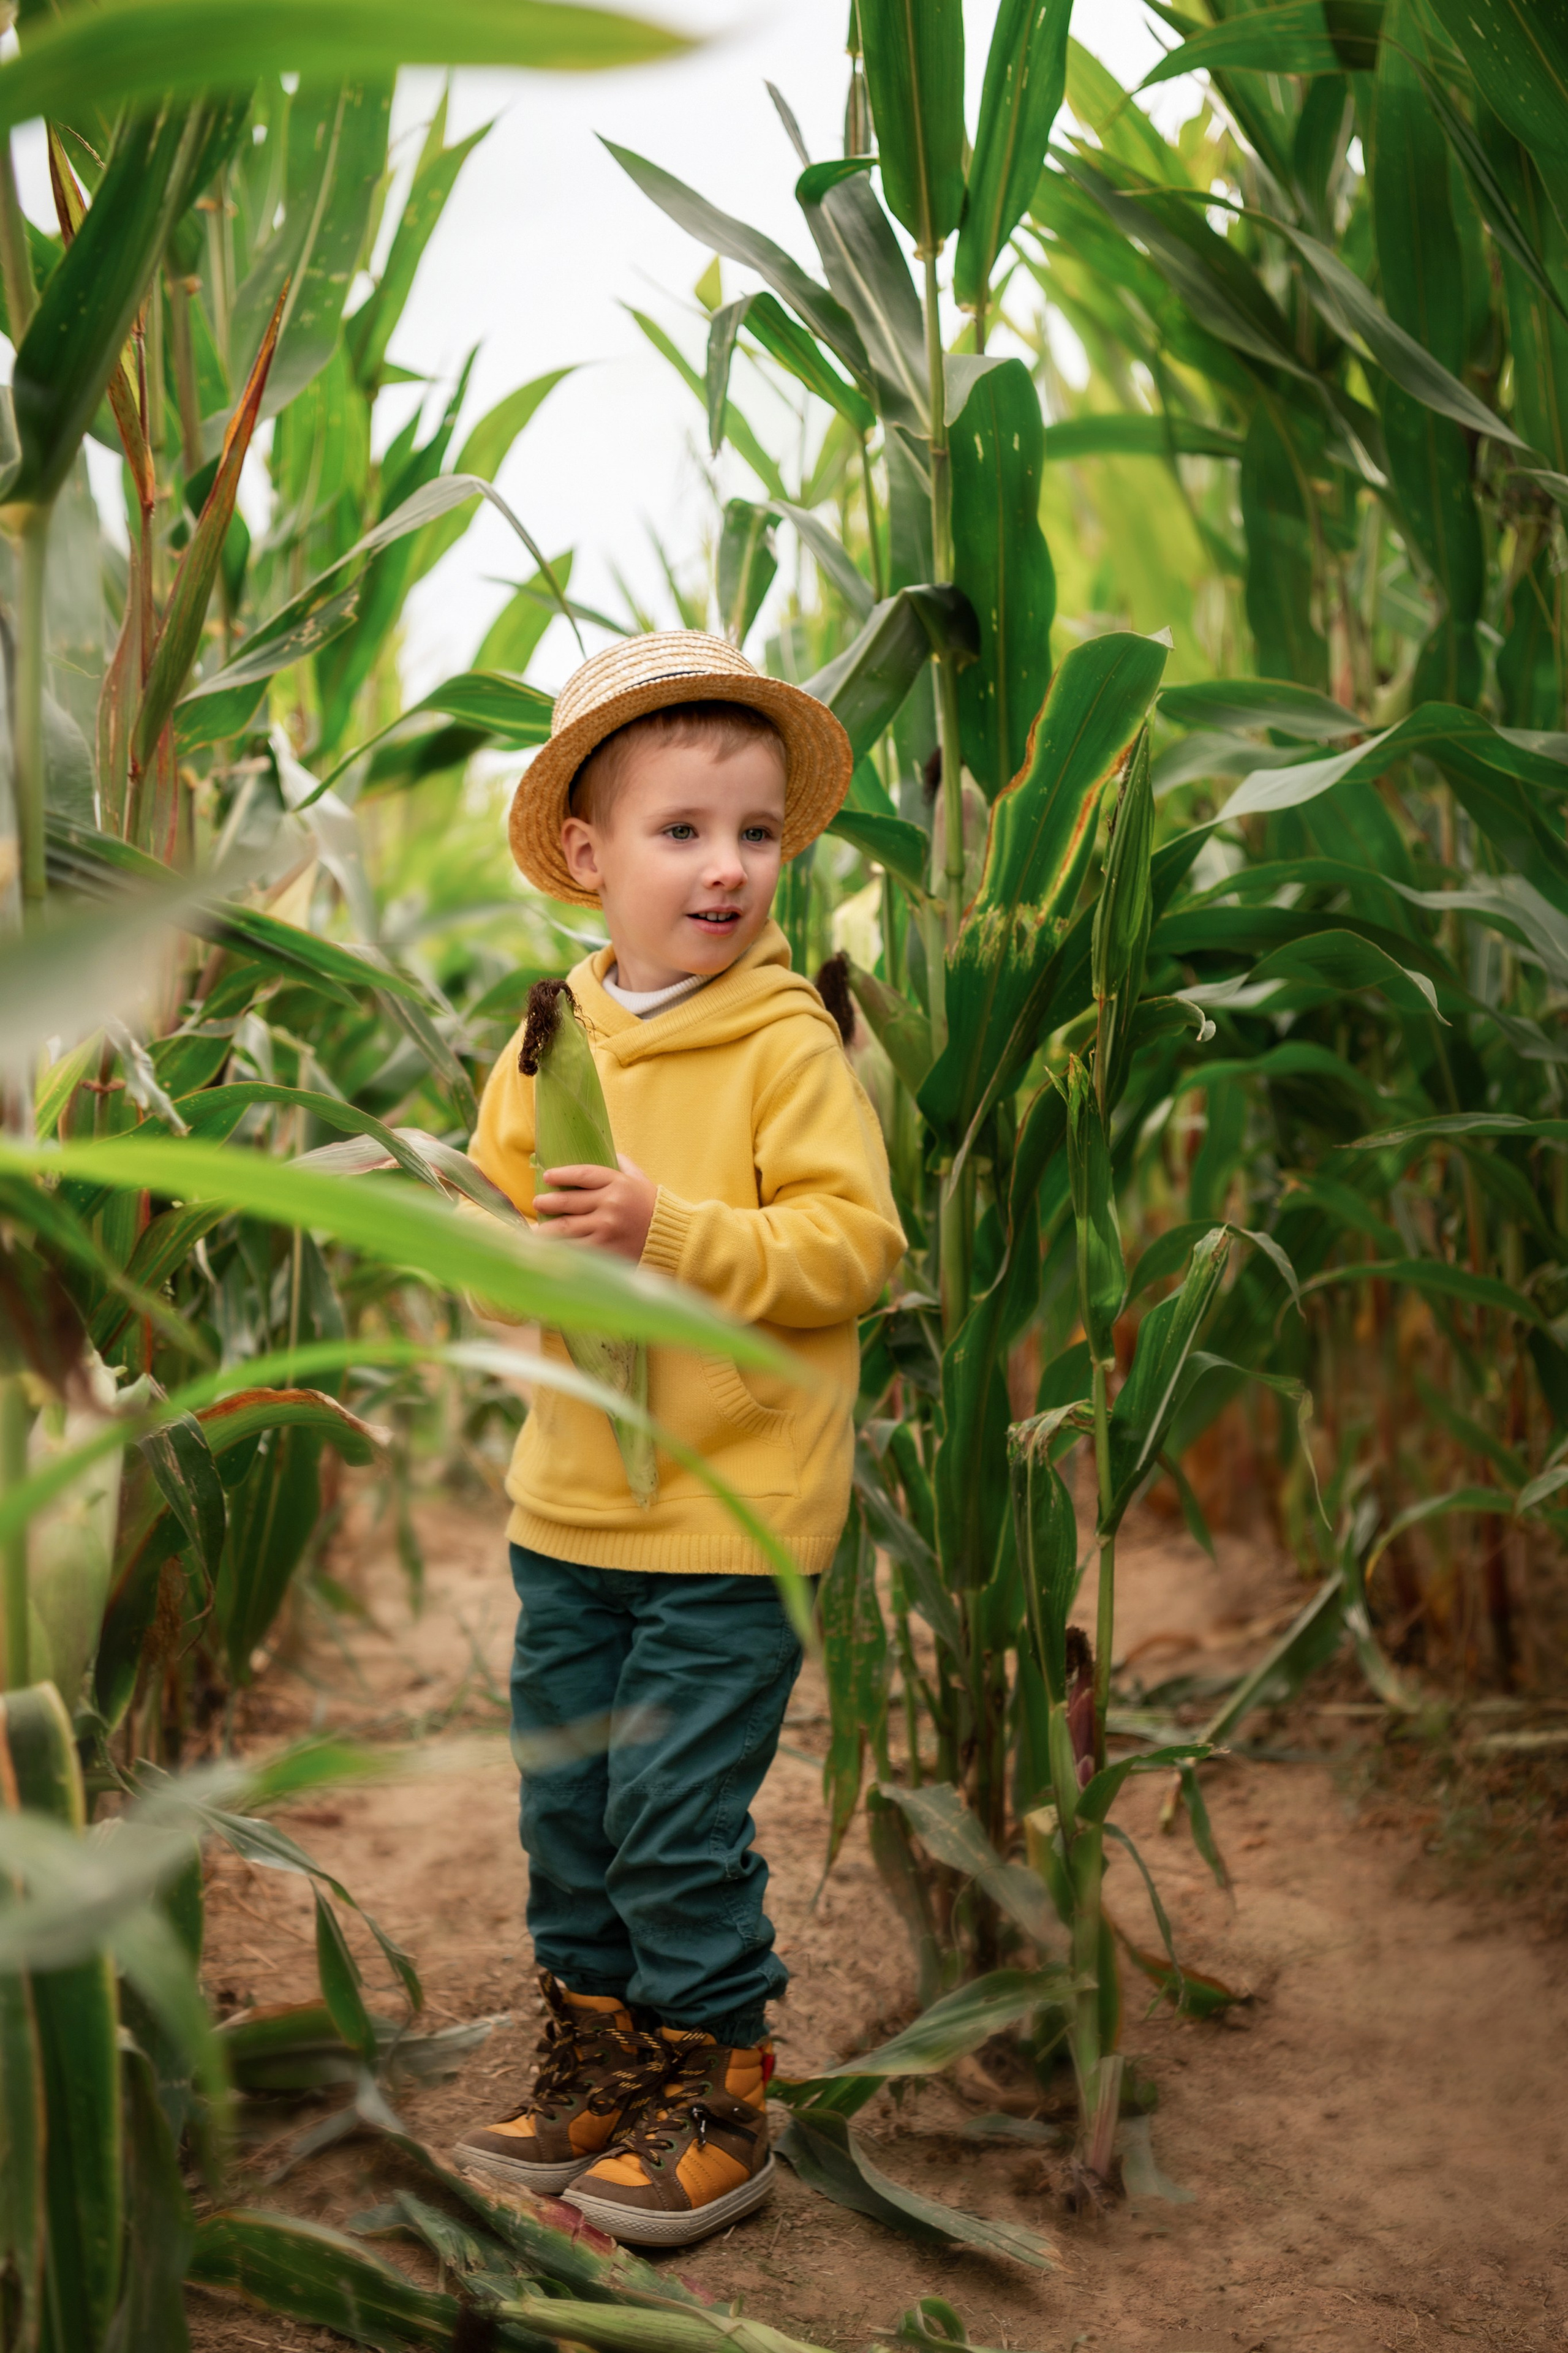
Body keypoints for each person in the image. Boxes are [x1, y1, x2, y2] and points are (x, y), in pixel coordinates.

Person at [454, 631, 905, 2248]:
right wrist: (510, 1260)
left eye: (758, 832)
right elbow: (494, 1223)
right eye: (684, 830)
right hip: (571, 1506)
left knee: (671, 1818)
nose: (729, 866)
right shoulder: (548, 1036)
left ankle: (722, 2098)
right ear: (588, 856)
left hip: (733, 1518)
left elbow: (854, 1253)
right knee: (570, 1810)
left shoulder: (785, 1044)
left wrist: (668, 1230)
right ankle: (605, 2062)